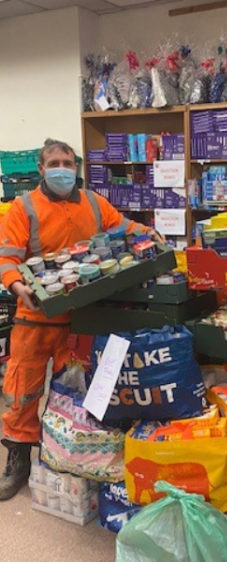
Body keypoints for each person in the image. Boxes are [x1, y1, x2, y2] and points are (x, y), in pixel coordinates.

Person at [0, 139, 158, 499]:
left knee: (83, 391)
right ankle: (19, 460)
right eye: (54, 162)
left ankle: (75, 456)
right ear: (41, 169)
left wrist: (148, 233)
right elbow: (6, 257)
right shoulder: (23, 208)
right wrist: (15, 285)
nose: (62, 169)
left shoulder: (92, 202)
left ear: (77, 167)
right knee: (22, 390)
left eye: (68, 163)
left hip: (85, 316)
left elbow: (123, 227)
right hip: (35, 316)